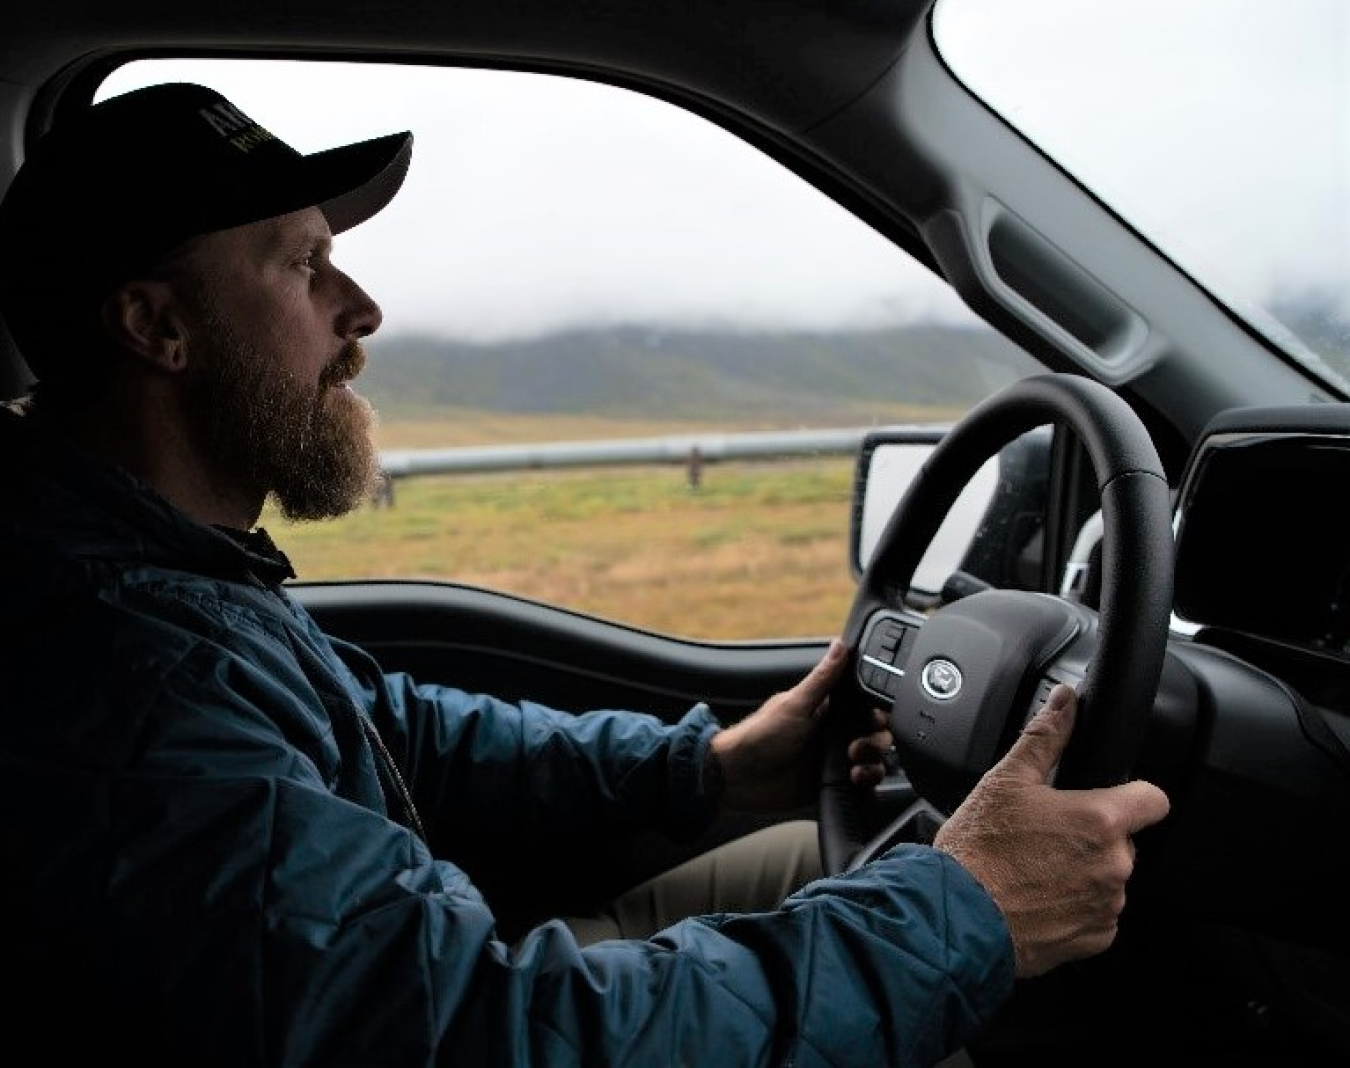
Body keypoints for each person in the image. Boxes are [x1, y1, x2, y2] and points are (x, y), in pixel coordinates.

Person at [0, 82, 1170, 1067]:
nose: (361, 311)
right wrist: (962, 918)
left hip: (468, 988)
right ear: (158, 326)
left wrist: (710, 771)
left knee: (839, 860)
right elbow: (488, 1036)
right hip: (492, 1019)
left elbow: (394, 732)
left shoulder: (158, 573)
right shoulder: (119, 673)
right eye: (304, 266)